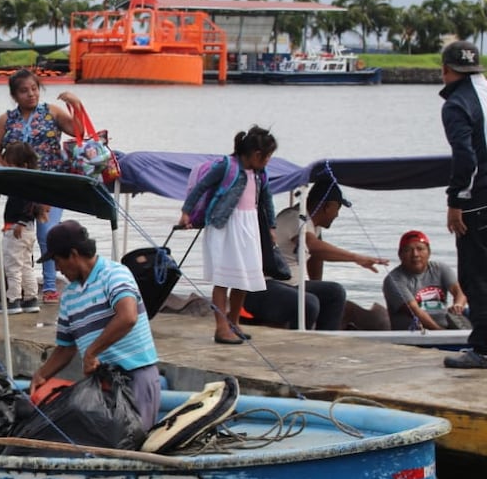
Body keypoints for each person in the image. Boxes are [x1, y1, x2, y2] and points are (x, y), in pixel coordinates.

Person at [28, 220, 161, 430]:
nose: (57, 268)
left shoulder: (115, 274)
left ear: (73, 255)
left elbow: (127, 316)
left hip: (135, 375)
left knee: (135, 440)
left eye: (57, 260)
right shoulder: (70, 295)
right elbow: (66, 347)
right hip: (101, 384)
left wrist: (91, 352)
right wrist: (42, 374)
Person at [0, 68, 86, 304]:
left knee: (46, 232)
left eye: (34, 89)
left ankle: (50, 286)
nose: (31, 95)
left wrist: (77, 105)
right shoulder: (6, 119)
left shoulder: (50, 112)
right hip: (21, 188)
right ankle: (21, 288)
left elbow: (78, 132)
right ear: (14, 95)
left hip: (51, 183)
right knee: (18, 237)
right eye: (24, 91)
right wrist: (9, 172)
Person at [178, 125, 278, 344]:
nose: (269, 161)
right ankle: (221, 327)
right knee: (223, 279)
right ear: (256, 154)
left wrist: (271, 227)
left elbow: (267, 199)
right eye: (268, 156)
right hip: (224, 226)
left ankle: (234, 322)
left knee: (244, 278)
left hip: (248, 227)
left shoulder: (260, 174)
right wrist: (186, 212)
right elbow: (201, 187)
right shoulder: (227, 167)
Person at [247, 178, 387, 331]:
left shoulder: (314, 226)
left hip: (291, 285)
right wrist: (356, 258)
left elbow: (315, 258)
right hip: (265, 287)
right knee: (309, 302)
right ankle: (298, 342)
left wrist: (317, 284)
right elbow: (313, 246)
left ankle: (325, 337)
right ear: (328, 206)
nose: (337, 215)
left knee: (335, 292)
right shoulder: (295, 218)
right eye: (337, 209)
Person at [439, 40, 487, 368]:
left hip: (478, 201)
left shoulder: (457, 104)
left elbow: (466, 158)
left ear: (445, 70)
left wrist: (456, 200)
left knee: (476, 275)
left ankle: (482, 349)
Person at [0, 142, 48, 314]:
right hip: (28, 231)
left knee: (12, 266)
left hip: (17, 229)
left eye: (10, 164)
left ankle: (12, 300)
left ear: (23, 165)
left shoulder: (22, 184)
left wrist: (21, 222)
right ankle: (31, 299)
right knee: (26, 265)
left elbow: (28, 205)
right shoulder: (33, 182)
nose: (8, 168)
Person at [383, 230, 469, 331]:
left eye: (420, 249)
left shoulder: (440, 268)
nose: (415, 254)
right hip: (416, 330)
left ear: (429, 252)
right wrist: (440, 332)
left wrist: (458, 305)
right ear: (400, 255)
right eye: (408, 250)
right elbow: (415, 311)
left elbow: (459, 292)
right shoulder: (394, 280)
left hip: (445, 323)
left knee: (476, 312)